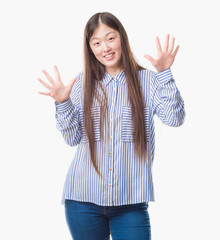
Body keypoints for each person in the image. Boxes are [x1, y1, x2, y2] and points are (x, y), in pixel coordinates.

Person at [38, 12, 185, 240]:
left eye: (110, 38)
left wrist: (164, 73)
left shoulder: (148, 81)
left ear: (122, 38)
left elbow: (175, 119)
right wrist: (62, 102)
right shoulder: (82, 83)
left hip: (130, 204)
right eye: (96, 42)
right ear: (90, 48)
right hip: (82, 201)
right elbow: (72, 139)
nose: (104, 47)